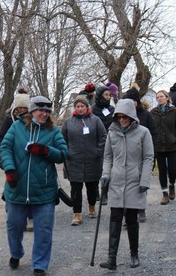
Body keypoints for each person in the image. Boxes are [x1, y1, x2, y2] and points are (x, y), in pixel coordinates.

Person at [0, 96, 68, 276]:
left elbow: (63, 154)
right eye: (40, 110)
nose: (44, 114)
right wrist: (9, 170)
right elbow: (5, 148)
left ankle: (40, 265)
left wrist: (45, 151)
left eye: (47, 111)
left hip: (44, 190)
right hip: (16, 188)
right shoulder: (16, 127)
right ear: (31, 111)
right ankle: (16, 253)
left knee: (44, 230)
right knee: (13, 226)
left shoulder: (53, 132)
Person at [99, 99, 154, 270]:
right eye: (119, 117)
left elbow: (148, 157)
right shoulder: (112, 132)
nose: (122, 120)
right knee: (115, 218)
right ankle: (112, 258)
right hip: (116, 181)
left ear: (131, 116)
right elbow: (107, 156)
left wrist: (144, 180)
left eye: (125, 117)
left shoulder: (143, 132)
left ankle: (134, 254)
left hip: (134, 181)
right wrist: (106, 174)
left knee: (131, 219)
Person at [61, 96, 106, 226]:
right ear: (75, 108)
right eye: (77, 106)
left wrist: (98, 151)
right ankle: (77, 214)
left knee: (92, 187)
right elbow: (62, 138)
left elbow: (103, 136)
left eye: (82, 106)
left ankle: (92, 206)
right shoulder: (68, 122)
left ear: (87, 107)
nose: (80, 109)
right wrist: (67, 152)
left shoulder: (96, 121)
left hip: (93, 160)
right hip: (73, 160)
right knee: (75, 188)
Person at [0, 87, 34, 231]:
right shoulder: (9, 119)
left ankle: (31, 216)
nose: (21, 110)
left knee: (30, 187)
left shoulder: (33, 119)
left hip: (29, 156)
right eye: (19, 107)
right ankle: (16, 217)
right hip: (13, 158)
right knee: (13, 187)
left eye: (24, 107)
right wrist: (2, 157)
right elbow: (2, 139)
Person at [123, 83, 158, 222]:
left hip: (143, 156)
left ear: (137, 102)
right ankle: (127, 209)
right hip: (127, 156)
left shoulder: (146, 116)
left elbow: (154, 134)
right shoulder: (123, 117)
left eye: (133, 101)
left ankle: (141, 208)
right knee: (126, 183)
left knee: (141, 182)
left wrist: (152, 153)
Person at [151, 90, 176, 205]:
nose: (159, 99)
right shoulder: (153, 112)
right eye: (157, 97)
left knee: (172, 170)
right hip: (159, 147)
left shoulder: (174, 111)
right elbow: (151, 128)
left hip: (172, 146)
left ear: (167, 98)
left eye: (161, 96)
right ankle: (165, 194)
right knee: (162, 171)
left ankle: (172, 185)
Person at [92, 85, 115, 205]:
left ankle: (104, 193)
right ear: (100, 95)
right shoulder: (92, 109)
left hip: (110, 142)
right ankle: (95, 191)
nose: (108, 97)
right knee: (96, 168)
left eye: (109, 95)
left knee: (107, 169)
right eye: (106, 95)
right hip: (96, 142)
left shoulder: (112, 109)